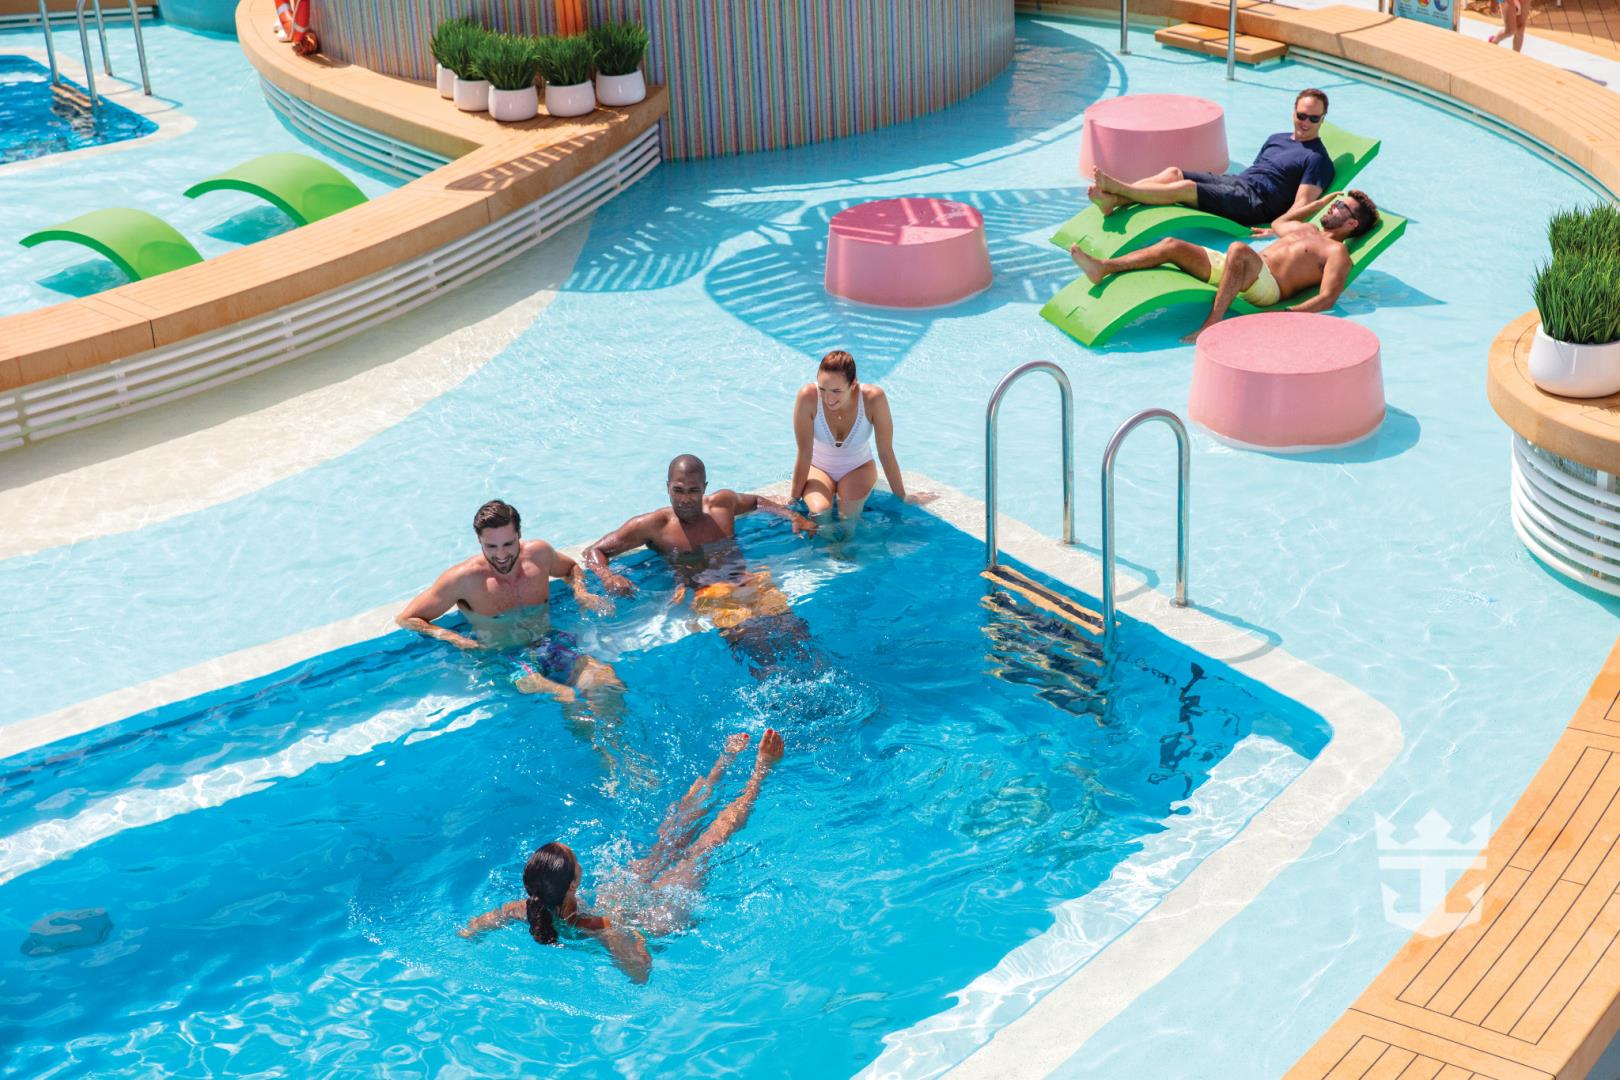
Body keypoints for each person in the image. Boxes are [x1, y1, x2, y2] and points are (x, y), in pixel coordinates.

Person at [458, 728, 787, 983]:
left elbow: (480, 924)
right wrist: (637, 939)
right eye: (576, 861)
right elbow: (640, 974)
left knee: (666, 839)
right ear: (573, 884)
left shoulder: (525, 906)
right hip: (656, 920)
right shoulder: (598, 928)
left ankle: (721, 765)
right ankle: (760, 772)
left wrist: (469, 936)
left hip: (617, 905)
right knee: (703, 846)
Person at [584, 456, 820, 674]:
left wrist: (792, 516)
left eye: (693, 491)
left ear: (705, 488)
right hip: (712, 594)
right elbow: (595, 551)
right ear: (667, 487)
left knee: (799, 635)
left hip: (750, 581)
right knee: (759, 649)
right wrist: (607, 576)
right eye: (678, 490)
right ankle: (778, 707)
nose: (685, 499)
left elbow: (757, 502)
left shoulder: (722, 505)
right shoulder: (654, 526)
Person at [1068, 189, 1381, 342]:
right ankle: (1104, 267)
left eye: (1341, 207)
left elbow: (1328, 298)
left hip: (1267, 286)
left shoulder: (1337, 253)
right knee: (1171, 245)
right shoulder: (1307, 230)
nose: (1335, 206)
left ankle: (1212, 323)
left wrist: (1285, 316)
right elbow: (1279, 221)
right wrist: (1319, 203)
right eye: (1337, 202)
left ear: (1352, 223)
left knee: (1238, 248)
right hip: (1241, 269)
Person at [397, 499, 618, 703]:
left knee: (606, 681)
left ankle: (611, 746)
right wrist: (454, 638)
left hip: (549, 642)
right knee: (565, 694)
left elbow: (571, 568)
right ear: (479, 541)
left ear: (519, 534)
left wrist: (580, 591)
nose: (501, 555)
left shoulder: (539, 554)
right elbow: (407, 618)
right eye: (491, 547)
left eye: (508, 544)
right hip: (503, 657)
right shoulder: (463, 579)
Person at [1087, 89, 1337, 230]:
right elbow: (1256, 170)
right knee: (1174, 173)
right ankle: (1116, 200)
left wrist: (1276, 228)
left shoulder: (1317, 159)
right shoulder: (1276, 137)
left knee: (1185, 188)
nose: (1306, 123)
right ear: (1294, 112)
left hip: (1255, 204)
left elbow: (1303, 204)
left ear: (1322, 120)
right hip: (1238, 184)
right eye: (1302, 115)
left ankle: (1120, 190)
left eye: (1314, 119)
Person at [789, 349, 931, 537]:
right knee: (820, 513)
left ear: (853, 383)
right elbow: (804, 452)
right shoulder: (807, 397)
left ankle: (846, 554)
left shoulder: (873, 399)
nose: (828, 398)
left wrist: (902, 496)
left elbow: (886, 452)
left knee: (847, 517)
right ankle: (831, 553)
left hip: (858, 468)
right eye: (823, 389)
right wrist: (793, 500)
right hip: (818, 468)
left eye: (836, 391)